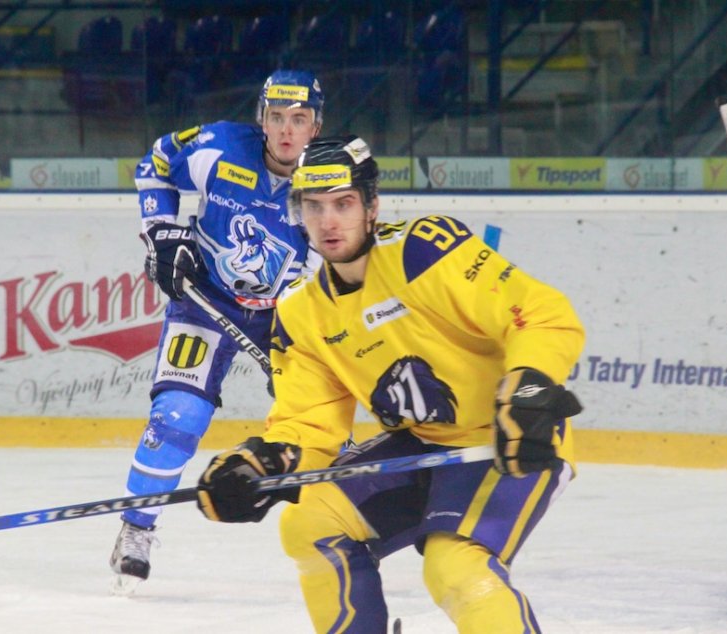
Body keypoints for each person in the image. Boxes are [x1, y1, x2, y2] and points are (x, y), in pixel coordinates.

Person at [196, 135, 585, 632]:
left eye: (343, 204)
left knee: (453, 566)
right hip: (423, 445)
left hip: (507, 438)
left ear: (372, 207)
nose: (328, 221)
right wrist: (264, 464)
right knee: (309, 523)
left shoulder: (424, 251)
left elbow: (540, 314)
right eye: (313, 206)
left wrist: (530, 385)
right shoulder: (299, 310)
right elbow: (308, 424)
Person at [110, 69, 325, 592]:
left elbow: (340, 261)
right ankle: (137, 528)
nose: (286, 130)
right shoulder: (220, 147)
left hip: (286, 317)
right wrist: (164, 231)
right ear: (261, 118)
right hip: (204, 303)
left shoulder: (328, 180)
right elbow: (154, 164)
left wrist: (308, 343)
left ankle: (344, 532)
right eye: (277, 117)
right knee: (177, 417)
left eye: (299, 119)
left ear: (316, 126)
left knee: (316, 428)